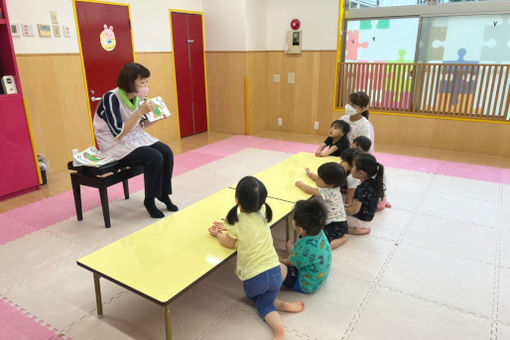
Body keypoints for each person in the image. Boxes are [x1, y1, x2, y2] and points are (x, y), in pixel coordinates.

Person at [208, 176, 304, 340]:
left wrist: (218, 234)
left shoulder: (236, 222)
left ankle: (278, 330)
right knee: (267, 297)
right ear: (261, 202)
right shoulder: (263, 213)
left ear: (237, 200)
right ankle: (280, 303)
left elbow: (229, 243)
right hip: (276, 273)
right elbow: (249, 228)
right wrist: (229, 226)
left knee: (260, 302)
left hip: (255, 279)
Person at [93, 62, 178, 218]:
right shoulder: (111, 98)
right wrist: (139, 112)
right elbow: (118, 132)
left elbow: (141, 125)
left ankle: (163, 194)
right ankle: (149, 200)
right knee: (154, 157)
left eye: (147, 82)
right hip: (114, 144)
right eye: (142, 82)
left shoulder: (138, 98)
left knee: (166, 152)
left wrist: (157, 117)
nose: (146, 86)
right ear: (130, 81)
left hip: (135, 138)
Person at [281, 199, 332, 294]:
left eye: (293, 218)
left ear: (300, 229)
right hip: (319, 278)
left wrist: (280, 261)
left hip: (306, 285)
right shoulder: (320, 232)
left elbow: (291, 263)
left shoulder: (304, 246)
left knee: (279, 269)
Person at [295, 162, 348, 249]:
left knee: (322, 244)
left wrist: (300, 184)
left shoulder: (328, 191)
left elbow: (310, 190)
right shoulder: (333, 185)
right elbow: (316, 178)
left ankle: (342, 240)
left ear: (330, 184)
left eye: (320, 178)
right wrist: (310, 173)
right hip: (339, 221)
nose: (317, 179)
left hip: (334, 225)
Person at [345, 153, 385, 235]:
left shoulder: (361, 189)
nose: (350, 168)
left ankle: (354, 230)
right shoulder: (374, 182)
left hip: (360, 222)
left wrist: (340, 211)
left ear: (361, 173)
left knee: (330, 219)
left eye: (353, 167)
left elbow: (353, 211)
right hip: (367, 218)